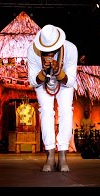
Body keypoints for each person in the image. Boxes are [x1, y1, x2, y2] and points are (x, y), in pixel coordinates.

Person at [27, 24, 78, 172]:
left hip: (64, 82)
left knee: (66, 110)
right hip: (42, 81)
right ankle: (49, 154)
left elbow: (70, 81)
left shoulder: (70, 49)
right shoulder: (32, 51)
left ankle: (62, 155)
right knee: (46, 111)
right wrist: (44, 72)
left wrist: (57, 70)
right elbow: (32, 81)